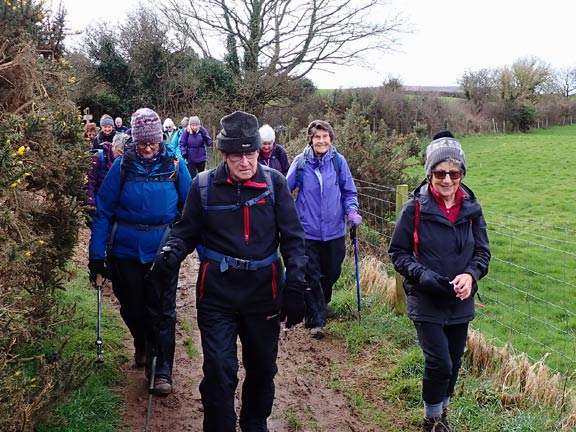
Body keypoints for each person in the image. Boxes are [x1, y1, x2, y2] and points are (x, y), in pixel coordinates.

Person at [150, 111, 307, 431]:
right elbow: (185, 232)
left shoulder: (274, 184)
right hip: (217, 294)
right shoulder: (203, 186)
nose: (246, 161)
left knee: (262, 368)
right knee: (220, 369)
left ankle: (254, 423)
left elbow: (293, 238)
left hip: (264, 293)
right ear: (223, 154)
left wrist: (297, 284)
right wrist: (171, 254)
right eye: (238, 155)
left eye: (251, 153)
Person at [388, 130, 491, 432]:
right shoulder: (414, 208)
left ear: (462, 174)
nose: (447, 179)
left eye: (454, 172)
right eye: (440, 173)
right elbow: (398, 252)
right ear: (430, 174)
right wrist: (424, 276)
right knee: (440, 363)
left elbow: (483, 252)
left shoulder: (472, 209)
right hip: (426, 298)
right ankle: (431, 419)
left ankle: (442, 412)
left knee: (455, 362)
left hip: (460, 299)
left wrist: (471, 275)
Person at [88, 108, 191, 396]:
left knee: (162, 311)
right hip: (125, 250)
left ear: (160, 140)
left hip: (162, 250)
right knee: (132, 306)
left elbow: (191, 209)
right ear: (135, 140)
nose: (148, 148)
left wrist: (182, 245)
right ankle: (142, 342)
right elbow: (104, 212)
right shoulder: (121, 167)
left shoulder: (173, 163)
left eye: (153, 143)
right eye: (144, 142)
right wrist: (96, 256)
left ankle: (160, 371)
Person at [286, 120, 362, 339]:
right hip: (307, 231)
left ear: (331, 139)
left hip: (334, 231)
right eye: (317, 137)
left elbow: (349, 192)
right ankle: (316, 320)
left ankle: (321, 303)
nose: (321, 141)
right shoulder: (301, 163)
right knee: (312, 276)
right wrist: (287, 217)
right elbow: (285, 189)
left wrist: (351, 212)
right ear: (310, 139)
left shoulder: (339, 162)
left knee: (332, 272)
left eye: (325, 137)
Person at [84, 132, 129, 226]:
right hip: (98, 204)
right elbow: (89, 183)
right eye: (120, 152)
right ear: (112, 146)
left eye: (125, 154)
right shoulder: (98, 159)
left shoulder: (126, 163)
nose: (122, 157)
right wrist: (91, 206)